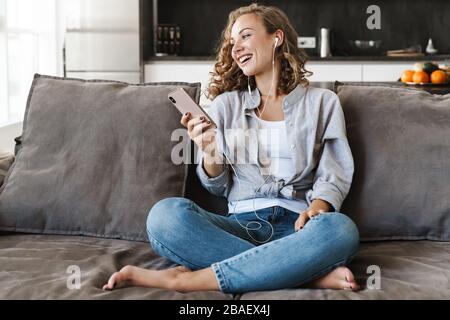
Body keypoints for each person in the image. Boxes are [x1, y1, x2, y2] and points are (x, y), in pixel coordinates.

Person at [103, 3, 360, 294]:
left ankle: (184, 280)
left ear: (276, 38)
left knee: (340, 230)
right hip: (240, 225)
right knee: (165, 217)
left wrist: (318, 208)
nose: (236, 48)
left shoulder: (322, 102)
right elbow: (218, 186)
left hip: (299, 230)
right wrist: (210, 149)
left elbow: (333, 172)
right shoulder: (227, 105)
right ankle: (301, 273)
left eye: (246, 36)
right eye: (232, 42)